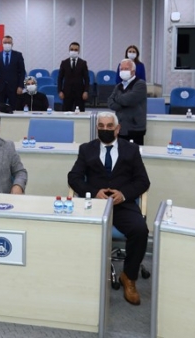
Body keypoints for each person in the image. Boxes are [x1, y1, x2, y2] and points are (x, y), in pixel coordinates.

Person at [67, 112, 150, 306]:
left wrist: (123, 194)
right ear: (97, 128)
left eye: (109, 126)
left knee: (140, 230)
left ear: (117, 129)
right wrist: (94, 192)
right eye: (101, 126)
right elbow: (74, 177)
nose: (105, 129)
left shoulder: (131, 150)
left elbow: (143, 181)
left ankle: (129, 277)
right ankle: (80, 275)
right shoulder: (86, 149)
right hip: (94, 204)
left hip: (122, 204)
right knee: (75, 229)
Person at [107, 59, 147, 145]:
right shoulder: (119, 86)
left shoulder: (140, 84)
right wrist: (121, 104)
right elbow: (110, 102)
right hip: (120, 128)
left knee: (134, 152)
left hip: (135, 129)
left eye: (126, 69)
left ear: (133, 71)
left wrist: (117, 99)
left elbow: (129, 100)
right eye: (121, 69)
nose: (123, 71)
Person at [0, 35, 26, 107]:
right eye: (5, 42)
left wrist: (20, 86)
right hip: (0, 88)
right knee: (0, 108)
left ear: (12, 44)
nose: (7, 44)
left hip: (14, 88)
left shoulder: (18, 55)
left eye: (9, 43)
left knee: (15, 108)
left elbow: (22, 72)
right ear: (2, 44)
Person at [57, 42, 89, 112]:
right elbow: (60, 78)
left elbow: (86, 79)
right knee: (66, 112)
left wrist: (86, 91)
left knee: (80, 112)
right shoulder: (64, 63)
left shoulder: (83, 63)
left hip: (79, 93)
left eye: (76, 50)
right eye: (72, 49)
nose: (73, 51)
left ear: (79, 51)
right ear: (69, 50)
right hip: (67, 92)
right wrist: (60, 91)